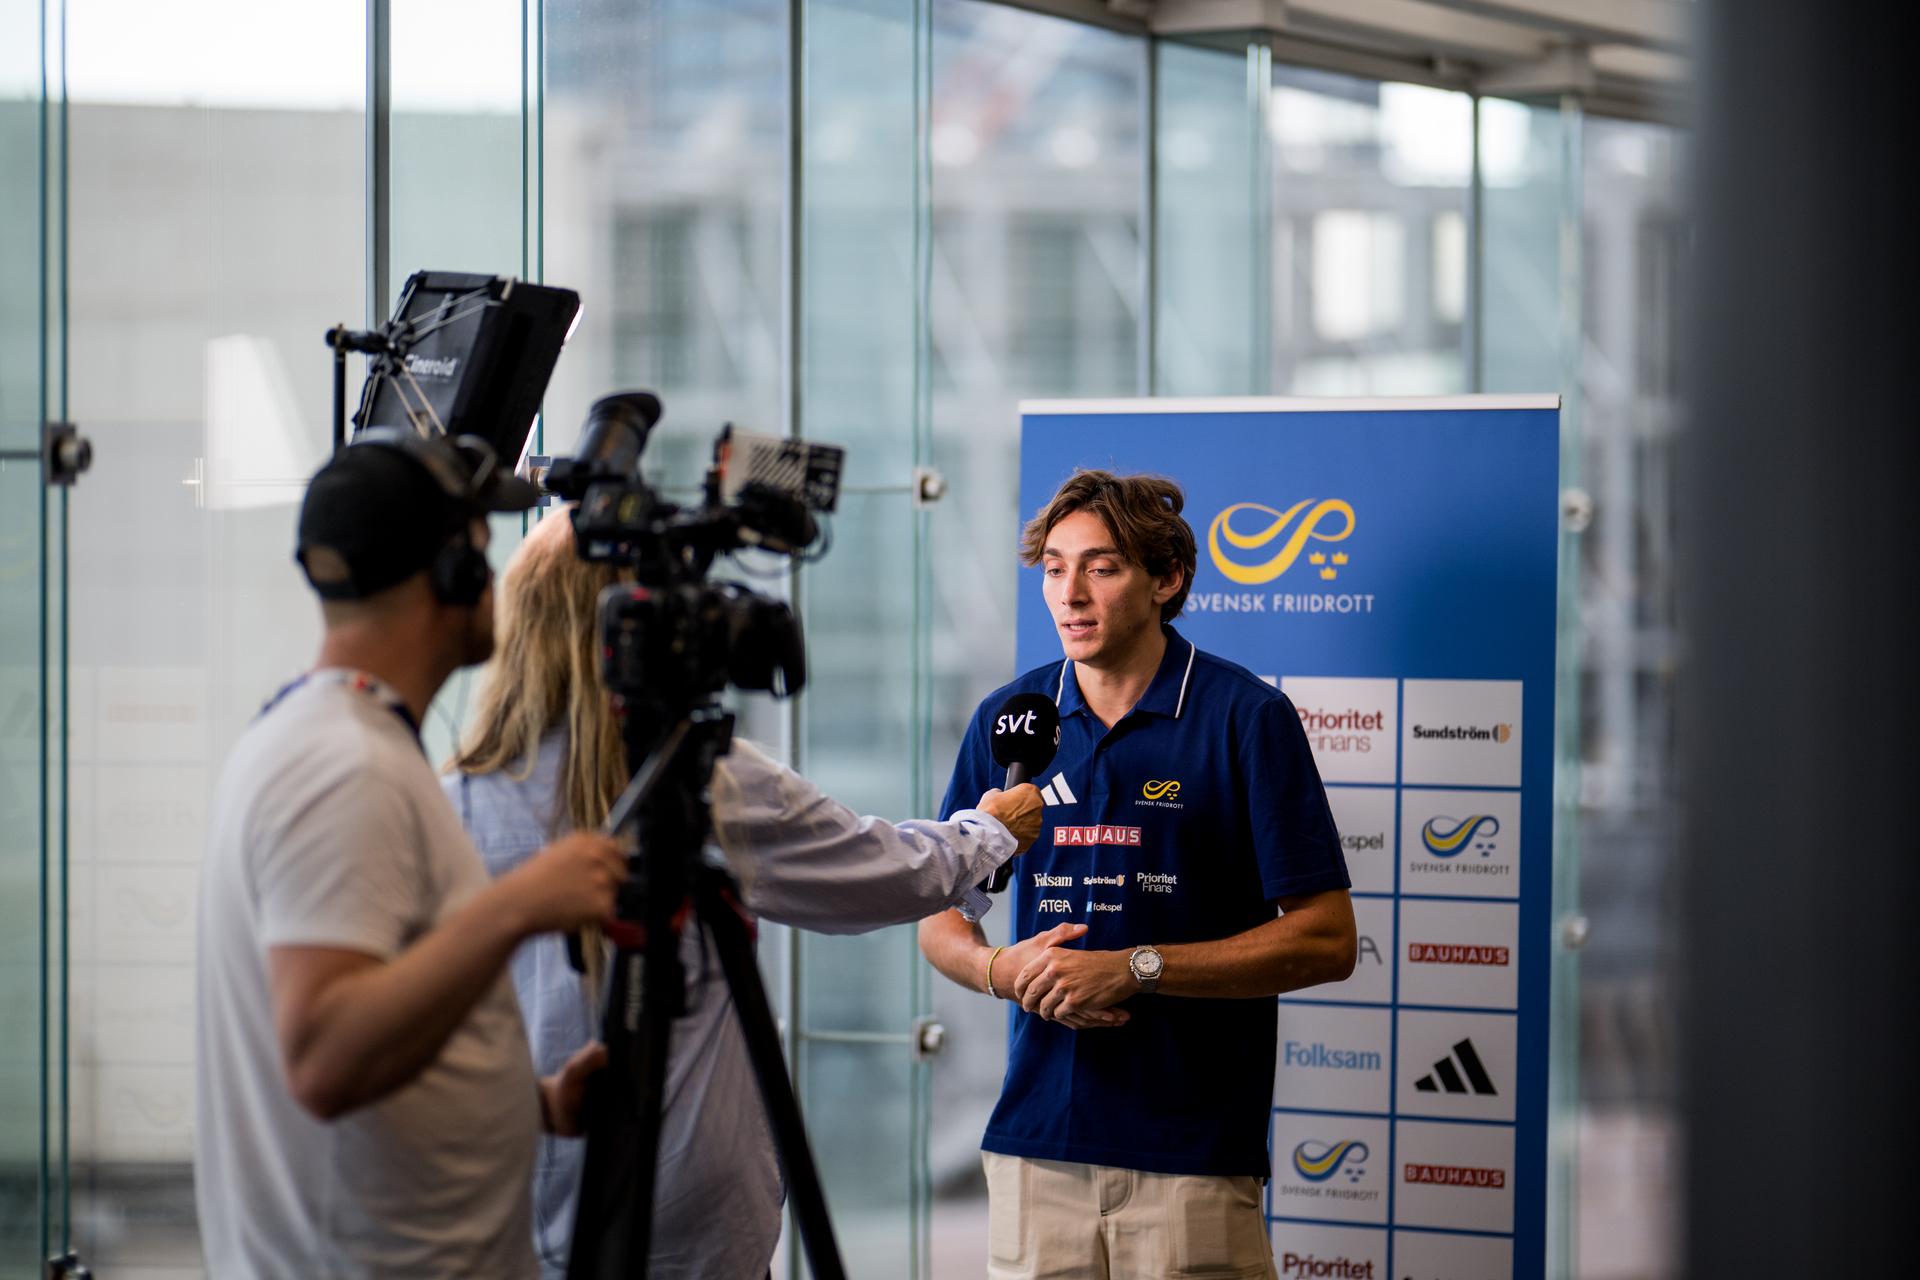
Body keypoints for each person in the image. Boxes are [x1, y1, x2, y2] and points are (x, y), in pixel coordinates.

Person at [443, 509, 1044, 1280]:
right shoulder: (709, 781)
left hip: (517, 1201)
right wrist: (988, 832)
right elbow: (880, 871)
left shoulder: (452, 800)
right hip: (693, 1217)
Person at [193, 430, 633, 1277]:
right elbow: (323, 1055)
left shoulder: (325, 740)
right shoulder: (342, 769)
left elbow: (372, 1020)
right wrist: (521, 906)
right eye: (479, 542)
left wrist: (531, 1102)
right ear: (455, 575)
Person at [917, 469, 1359, 1280]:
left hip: (1192, 1157)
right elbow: (940, 917)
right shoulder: (1009, 720)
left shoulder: (1246, 717)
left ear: (1167, 579)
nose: (1070, 594)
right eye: (1054, 567)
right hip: (1035, 1149)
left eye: (1102, 566)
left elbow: (1328, 940)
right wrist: (1000, 969)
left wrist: (1135, 969)